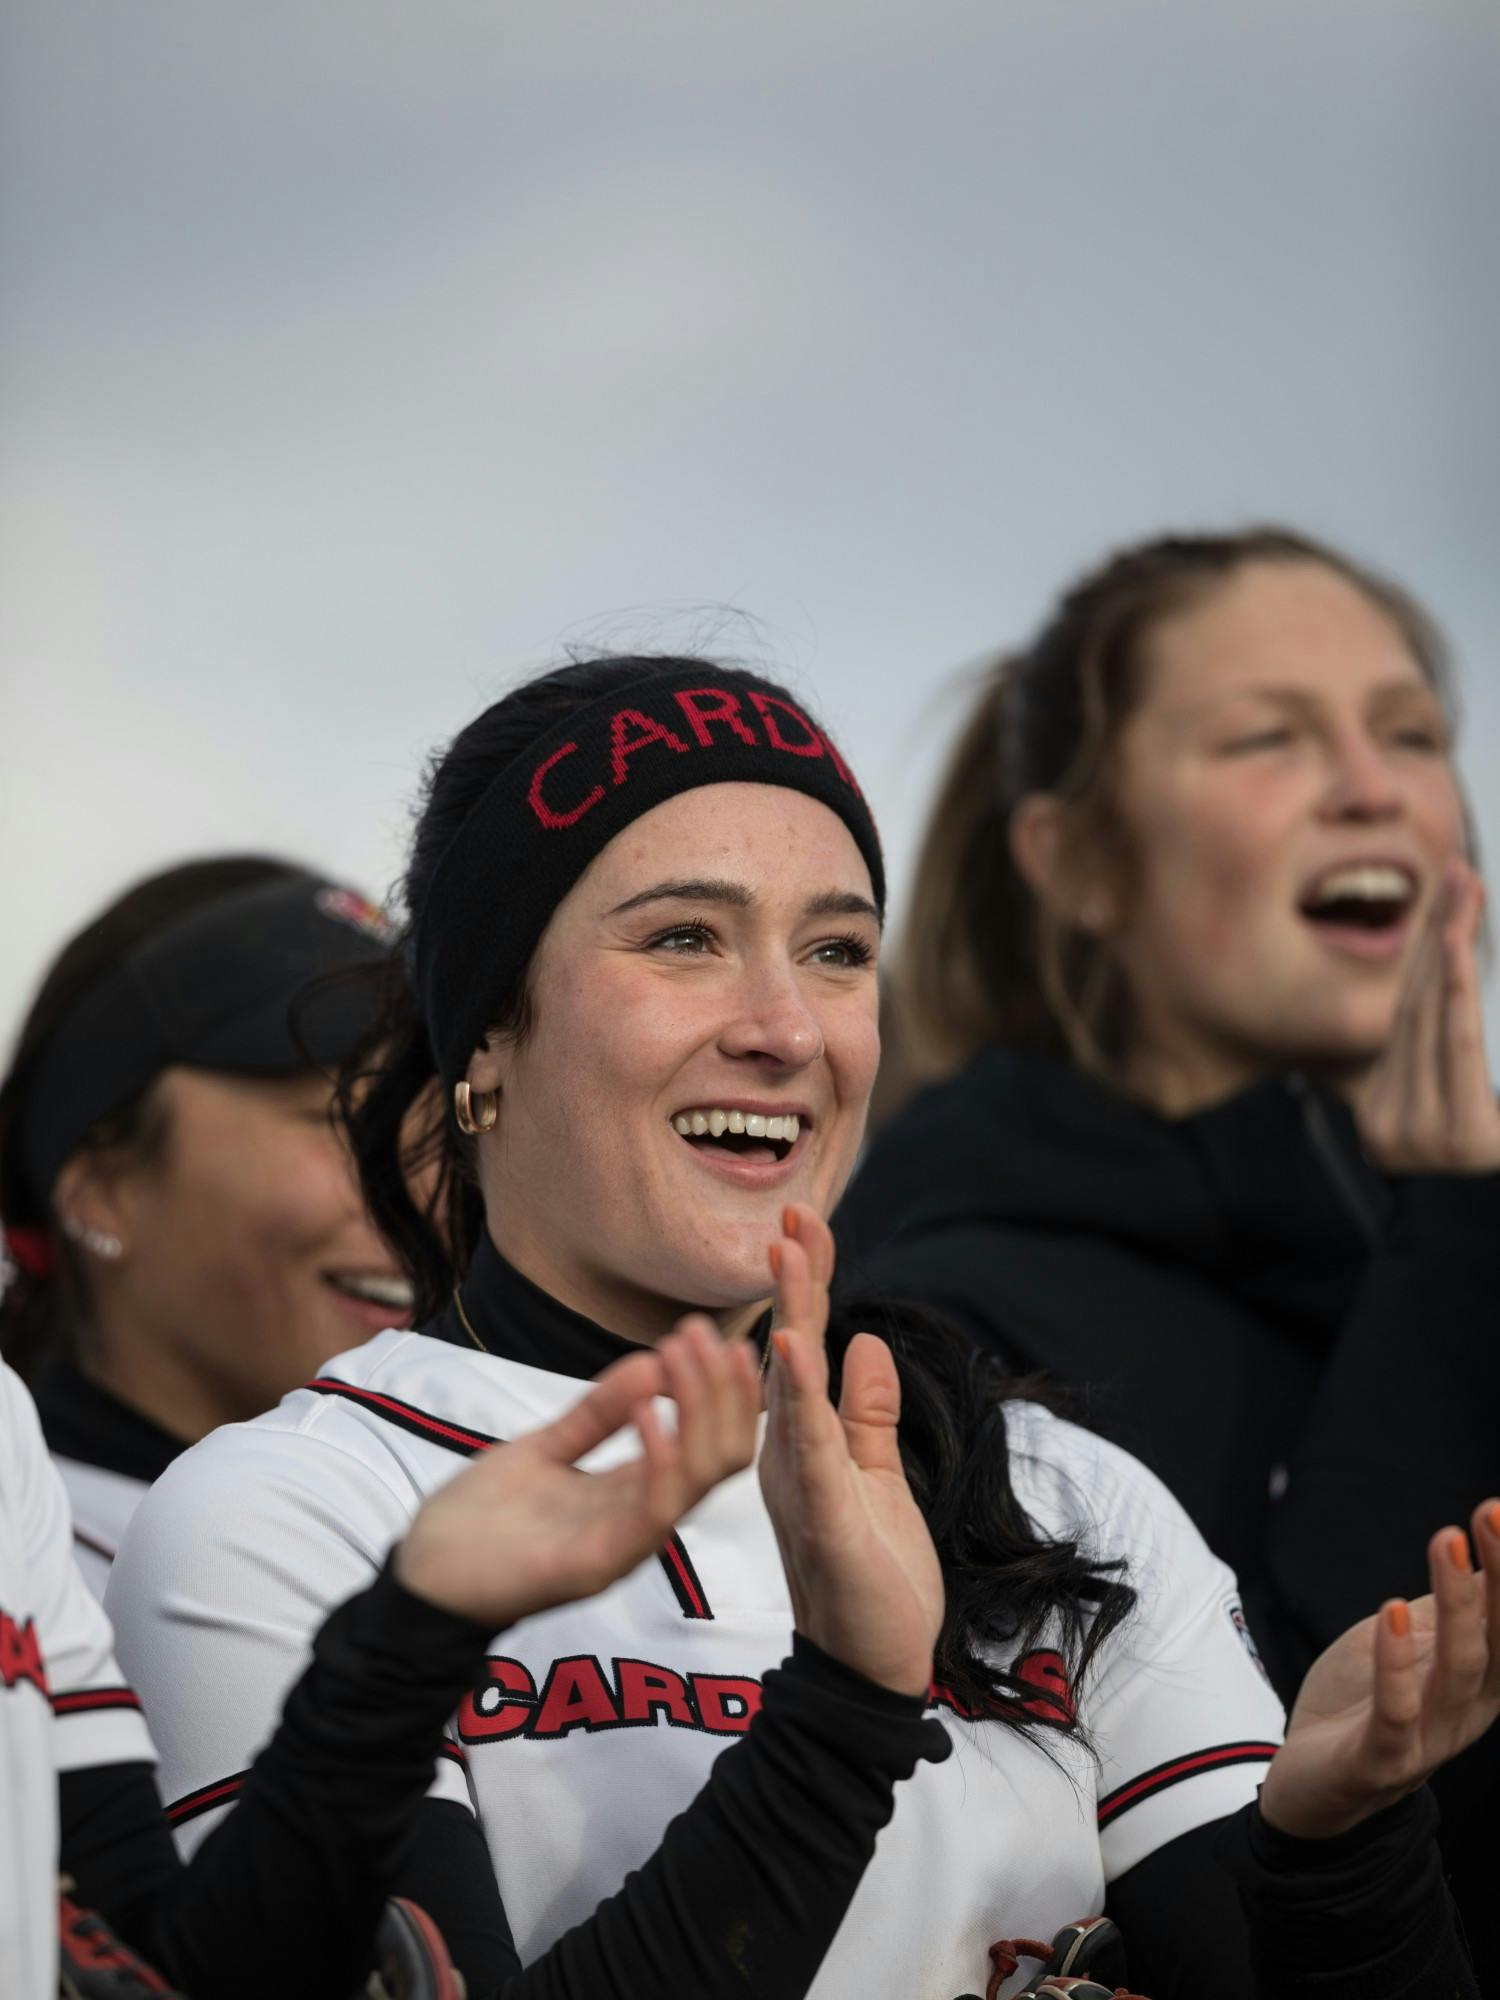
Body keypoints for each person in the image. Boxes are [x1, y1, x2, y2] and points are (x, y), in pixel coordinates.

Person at [104, 654, 1495, 2000]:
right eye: (684, 939)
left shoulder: (1051, 1485)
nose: (784, 1028)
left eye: (836, 950)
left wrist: (1341, 1850)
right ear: (489, 1039)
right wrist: (842, 1709)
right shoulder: (288, 1510)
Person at [836, 526, 1500, 1968]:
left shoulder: (1439, 1245)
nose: (1374, 786)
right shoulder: (934, 1321)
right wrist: (1449, 1261)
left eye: (1412, 732)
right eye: (1270, 738)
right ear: (1073, 860)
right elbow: (1286, 1827)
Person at [7, 1277, 945, 1997]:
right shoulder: (285, 1486)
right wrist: (844, 1716)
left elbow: (180, 1970)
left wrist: (414, 1631)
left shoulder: (4, 1432)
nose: (778, 1033)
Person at [0, 857, 414, 1592]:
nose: (427, 1193)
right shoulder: (27, 1576)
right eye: (349, 1119)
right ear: (105, 1189)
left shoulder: (531, 1554)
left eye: (447, 1132)